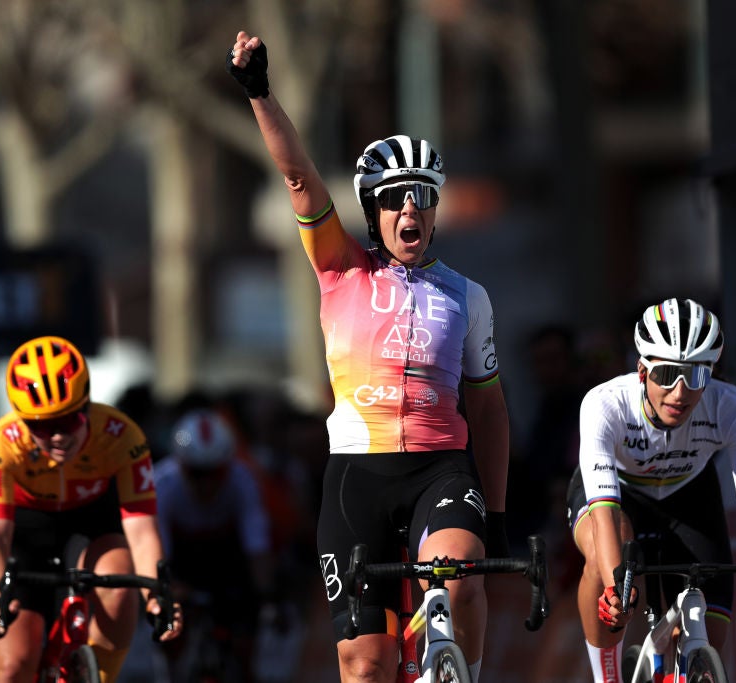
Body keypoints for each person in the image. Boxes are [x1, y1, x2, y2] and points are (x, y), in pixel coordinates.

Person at [227, 31, 510, 683]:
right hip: (358, 477)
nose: (409, 208)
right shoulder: (341, 269)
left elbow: (490, 410)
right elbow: (298, 177)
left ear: (435, 209)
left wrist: (495, 515)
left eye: (422, 196)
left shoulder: (469, 296)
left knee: (461, 576)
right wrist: (260, 93)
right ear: (372, 210)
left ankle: (460, 670)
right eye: (393, 198)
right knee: (366, 663)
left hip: (441, 468)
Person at [566, 298, 736, 683]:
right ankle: (606, 676)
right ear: (642, 370)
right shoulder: (605, 405)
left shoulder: (734, 409)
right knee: (605, 559)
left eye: (695, 376)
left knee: (711, 638)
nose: (680, 392)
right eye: (666, 374)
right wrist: (617, 589)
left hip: (689, 495)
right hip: (619, 495)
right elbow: (606, 513)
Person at [0, 335, 183, 682]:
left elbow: (142, 532)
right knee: (14, 664)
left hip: (93, 519)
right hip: (28, 534)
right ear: (21, 419)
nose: (57, 436)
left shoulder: (121, 436)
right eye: (40, 425)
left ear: (87, 405)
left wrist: (155, 595)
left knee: (118, 579)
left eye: (69, 420)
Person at [153, 407, 276, 682]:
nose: (206, 484)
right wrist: (168, 591)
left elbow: (257, 546)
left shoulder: (242, 478)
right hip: (180, 558)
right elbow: (157, 550)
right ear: (181, 464)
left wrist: (265, 595)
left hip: (227, 557)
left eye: (214, 473)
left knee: (245, 632)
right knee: (170, 626)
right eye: (196, 474)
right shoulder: (162, 482)